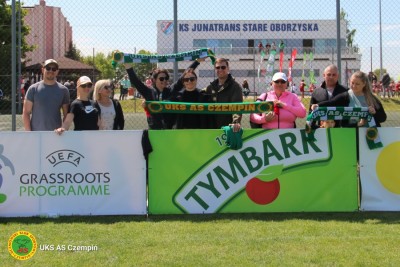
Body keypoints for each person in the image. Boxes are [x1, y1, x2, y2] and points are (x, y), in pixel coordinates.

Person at [124, 59, 201, 129]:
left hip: (170, 130)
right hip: (155, 130)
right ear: (154, 80)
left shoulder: (171, 90)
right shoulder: (148, 92)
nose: (164, 80)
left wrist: (197, 62)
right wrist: (128, 67)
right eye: (161, 78)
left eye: (166, 78)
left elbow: (183, 76)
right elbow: (136, 82)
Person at [311, 71, 386, 128]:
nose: (353, 86)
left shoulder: (371, 98)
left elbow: (383, 118)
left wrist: (374, 113)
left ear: (364, 84)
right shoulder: (346, 96)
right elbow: (331, 102)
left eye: (357, 84)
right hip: (351, 133)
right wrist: (317, 105)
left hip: (370, 134)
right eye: (352, 83)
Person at [22, 59, 70, 131]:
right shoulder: (33, 89)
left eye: (54, 69)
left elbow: (66, 115)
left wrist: (63, 129)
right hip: (36, 135)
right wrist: (29, 133)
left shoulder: (64, 90)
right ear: (42, 70)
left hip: (56, 135)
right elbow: (26, 112)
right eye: (48, 68)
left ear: (57, 71)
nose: (51, 71)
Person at [203, 58, 243, 131]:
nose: (220, 69)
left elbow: (237, 107)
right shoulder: (210, 87)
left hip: (228, 128)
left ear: (228, 69)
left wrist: (235, 122)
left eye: (223, 67)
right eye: (217, 67)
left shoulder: (235, 87)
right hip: (211, 128)